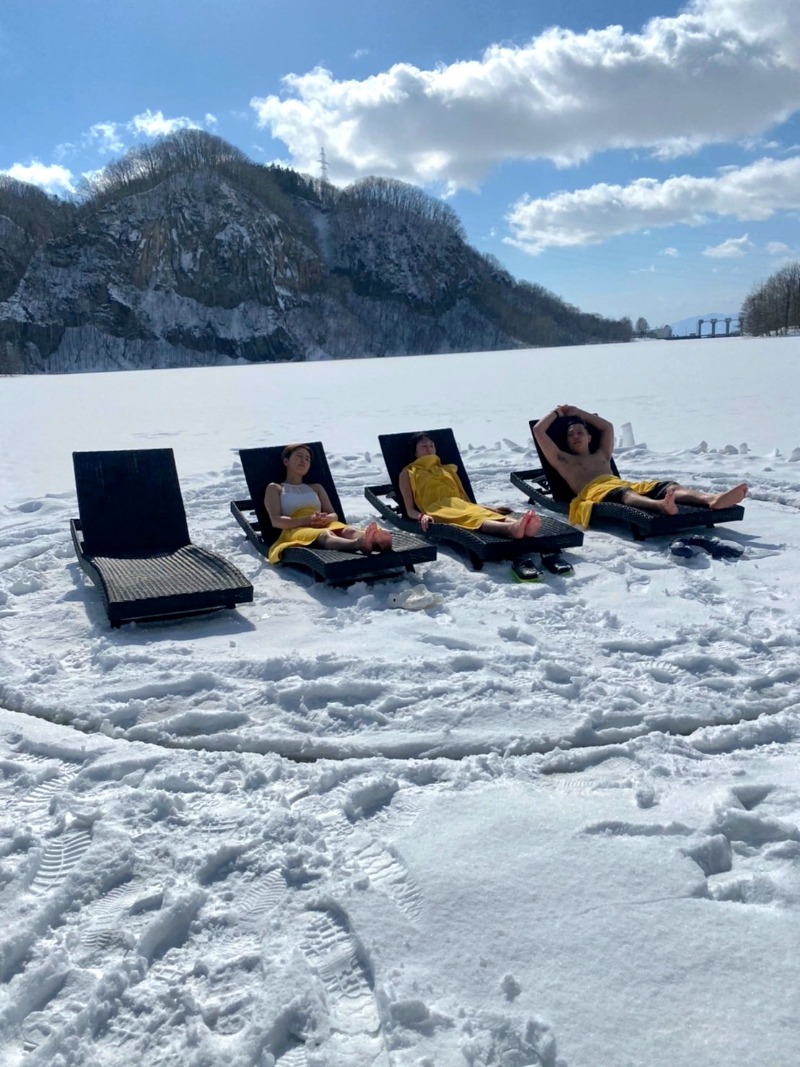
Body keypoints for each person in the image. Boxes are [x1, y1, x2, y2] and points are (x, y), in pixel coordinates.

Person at [533, 405, 748, 527]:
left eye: (580, 432)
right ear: (567, 442)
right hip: (595, 492)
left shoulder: (602, 454)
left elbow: (607, 427)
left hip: (621, 484)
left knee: (667, 486)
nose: (575, 436)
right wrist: (557, 413)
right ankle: (660, 506)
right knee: (624, 494)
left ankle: (711, 500)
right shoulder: (564, 460)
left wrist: (578, 412)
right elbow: (539, 431)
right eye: (571, 435)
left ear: (590, 437)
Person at [265, 443, 392, 564]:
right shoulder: (275, 488)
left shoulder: (316, 487)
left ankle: (375, 539)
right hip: (295, 528)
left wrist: (327, 518)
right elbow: (276, 521)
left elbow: (333, 514)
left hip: (323, 522)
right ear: (286, 461)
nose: (303, 460)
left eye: (307, 459)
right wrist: (307, 520)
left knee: (348, 530)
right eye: (299, 456)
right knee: (326, 534)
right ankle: (358, 544)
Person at [399, 432, 541, 537]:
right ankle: (511, 529)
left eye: (432, 445)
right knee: (470, 517)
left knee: (479, 512)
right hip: (436, 508)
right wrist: (422, 517)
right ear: (415, 452)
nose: (429, 449)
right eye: (424, 446)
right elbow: (409, 509)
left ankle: (523, 525)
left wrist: (487, 508)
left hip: (458, 503)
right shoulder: (408, 472)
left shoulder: (447, 469)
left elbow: (464, 498)